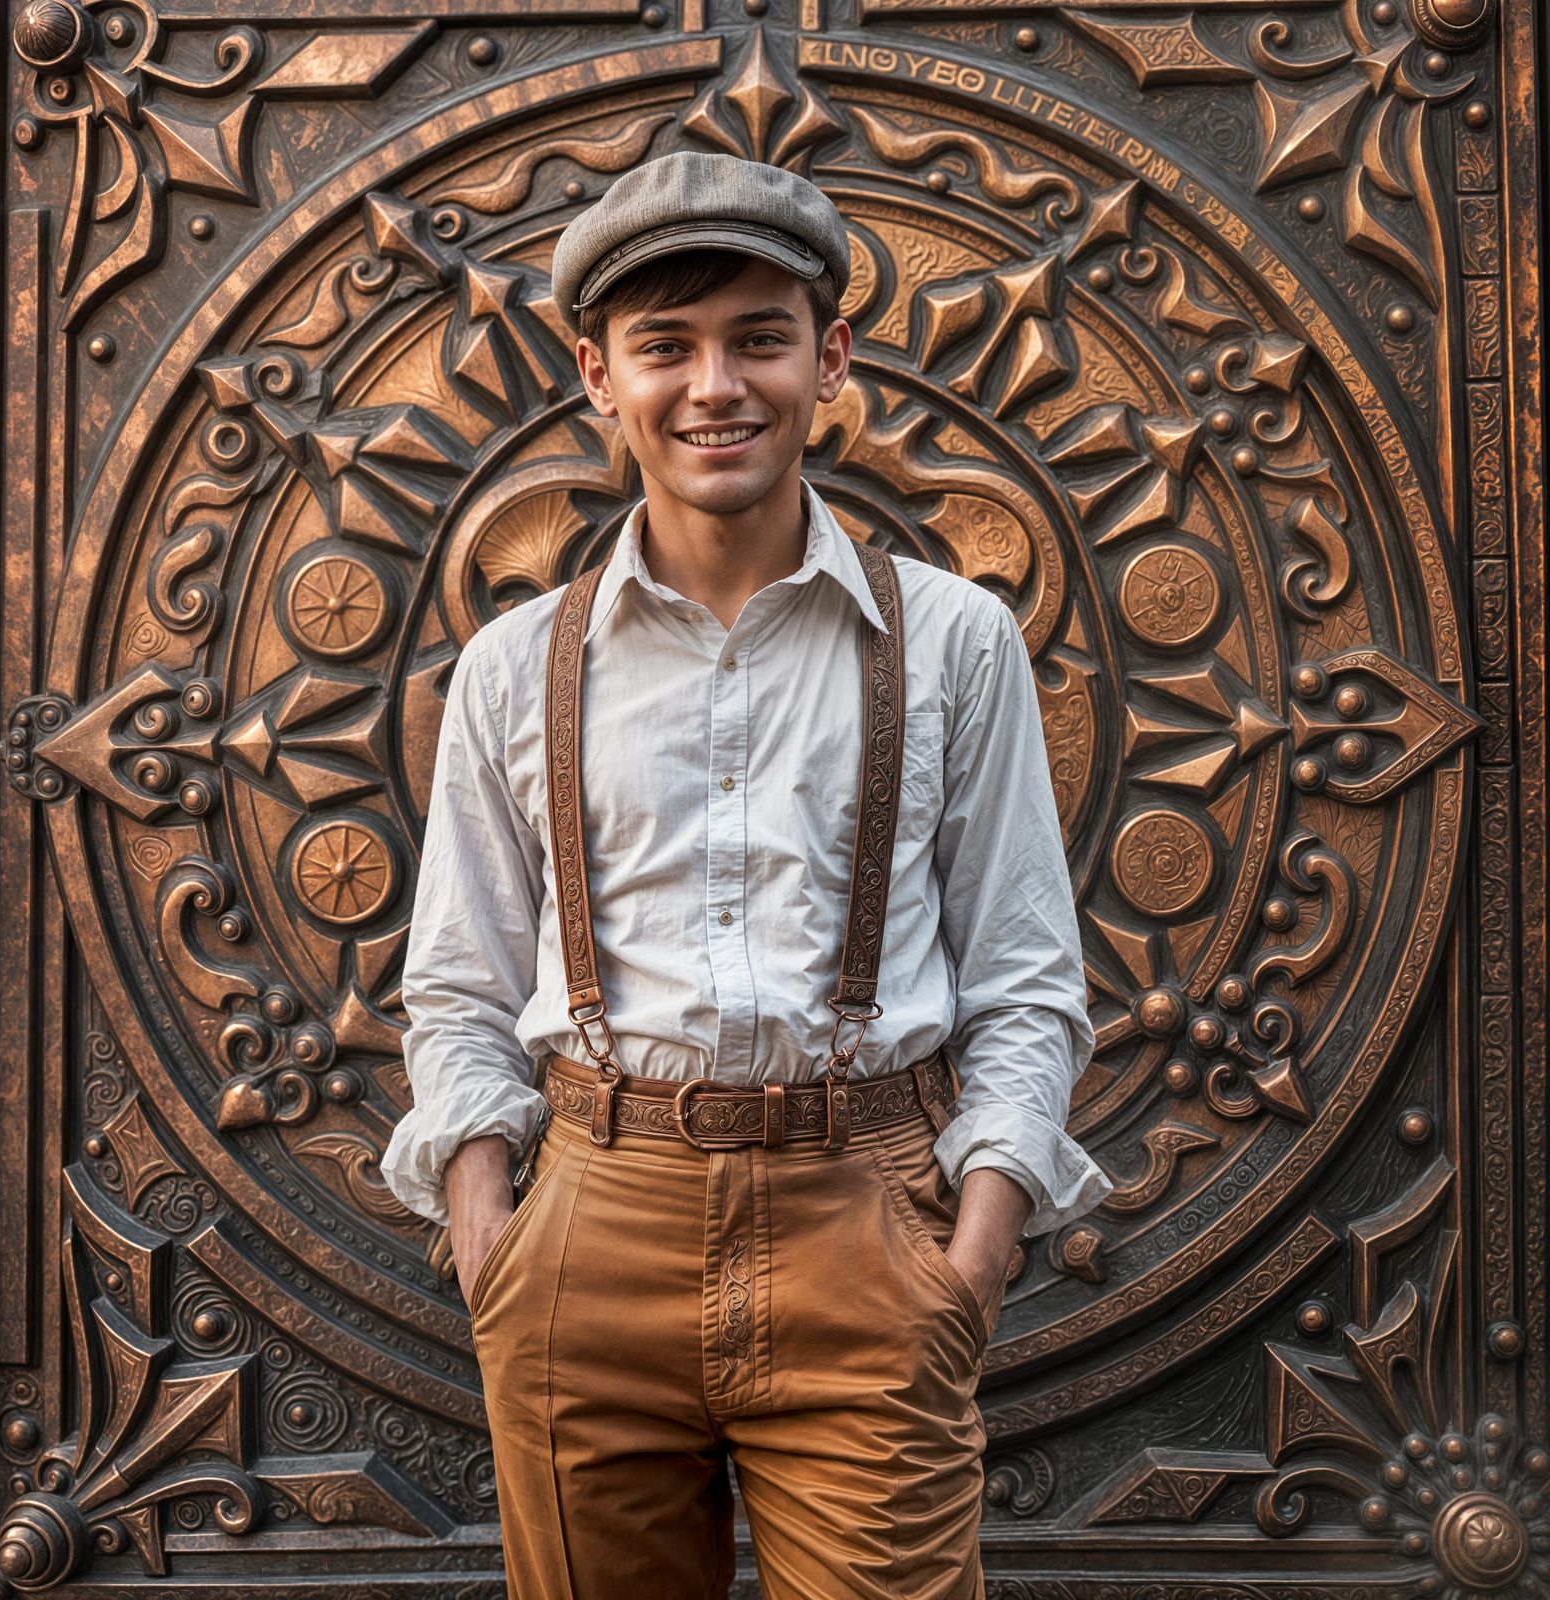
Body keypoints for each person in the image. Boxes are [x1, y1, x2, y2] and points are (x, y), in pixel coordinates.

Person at [381, 149, 1112, 1599]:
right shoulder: (518, 666)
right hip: (589, 1232)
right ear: (600, 377)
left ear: (828, 359)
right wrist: (491, 1237)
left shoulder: (955, 641)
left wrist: (968, 1258)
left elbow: (1026, 983)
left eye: (758, 339)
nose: (715, 385)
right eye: (666, 347)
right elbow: (461, 984)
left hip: (870, 1230)